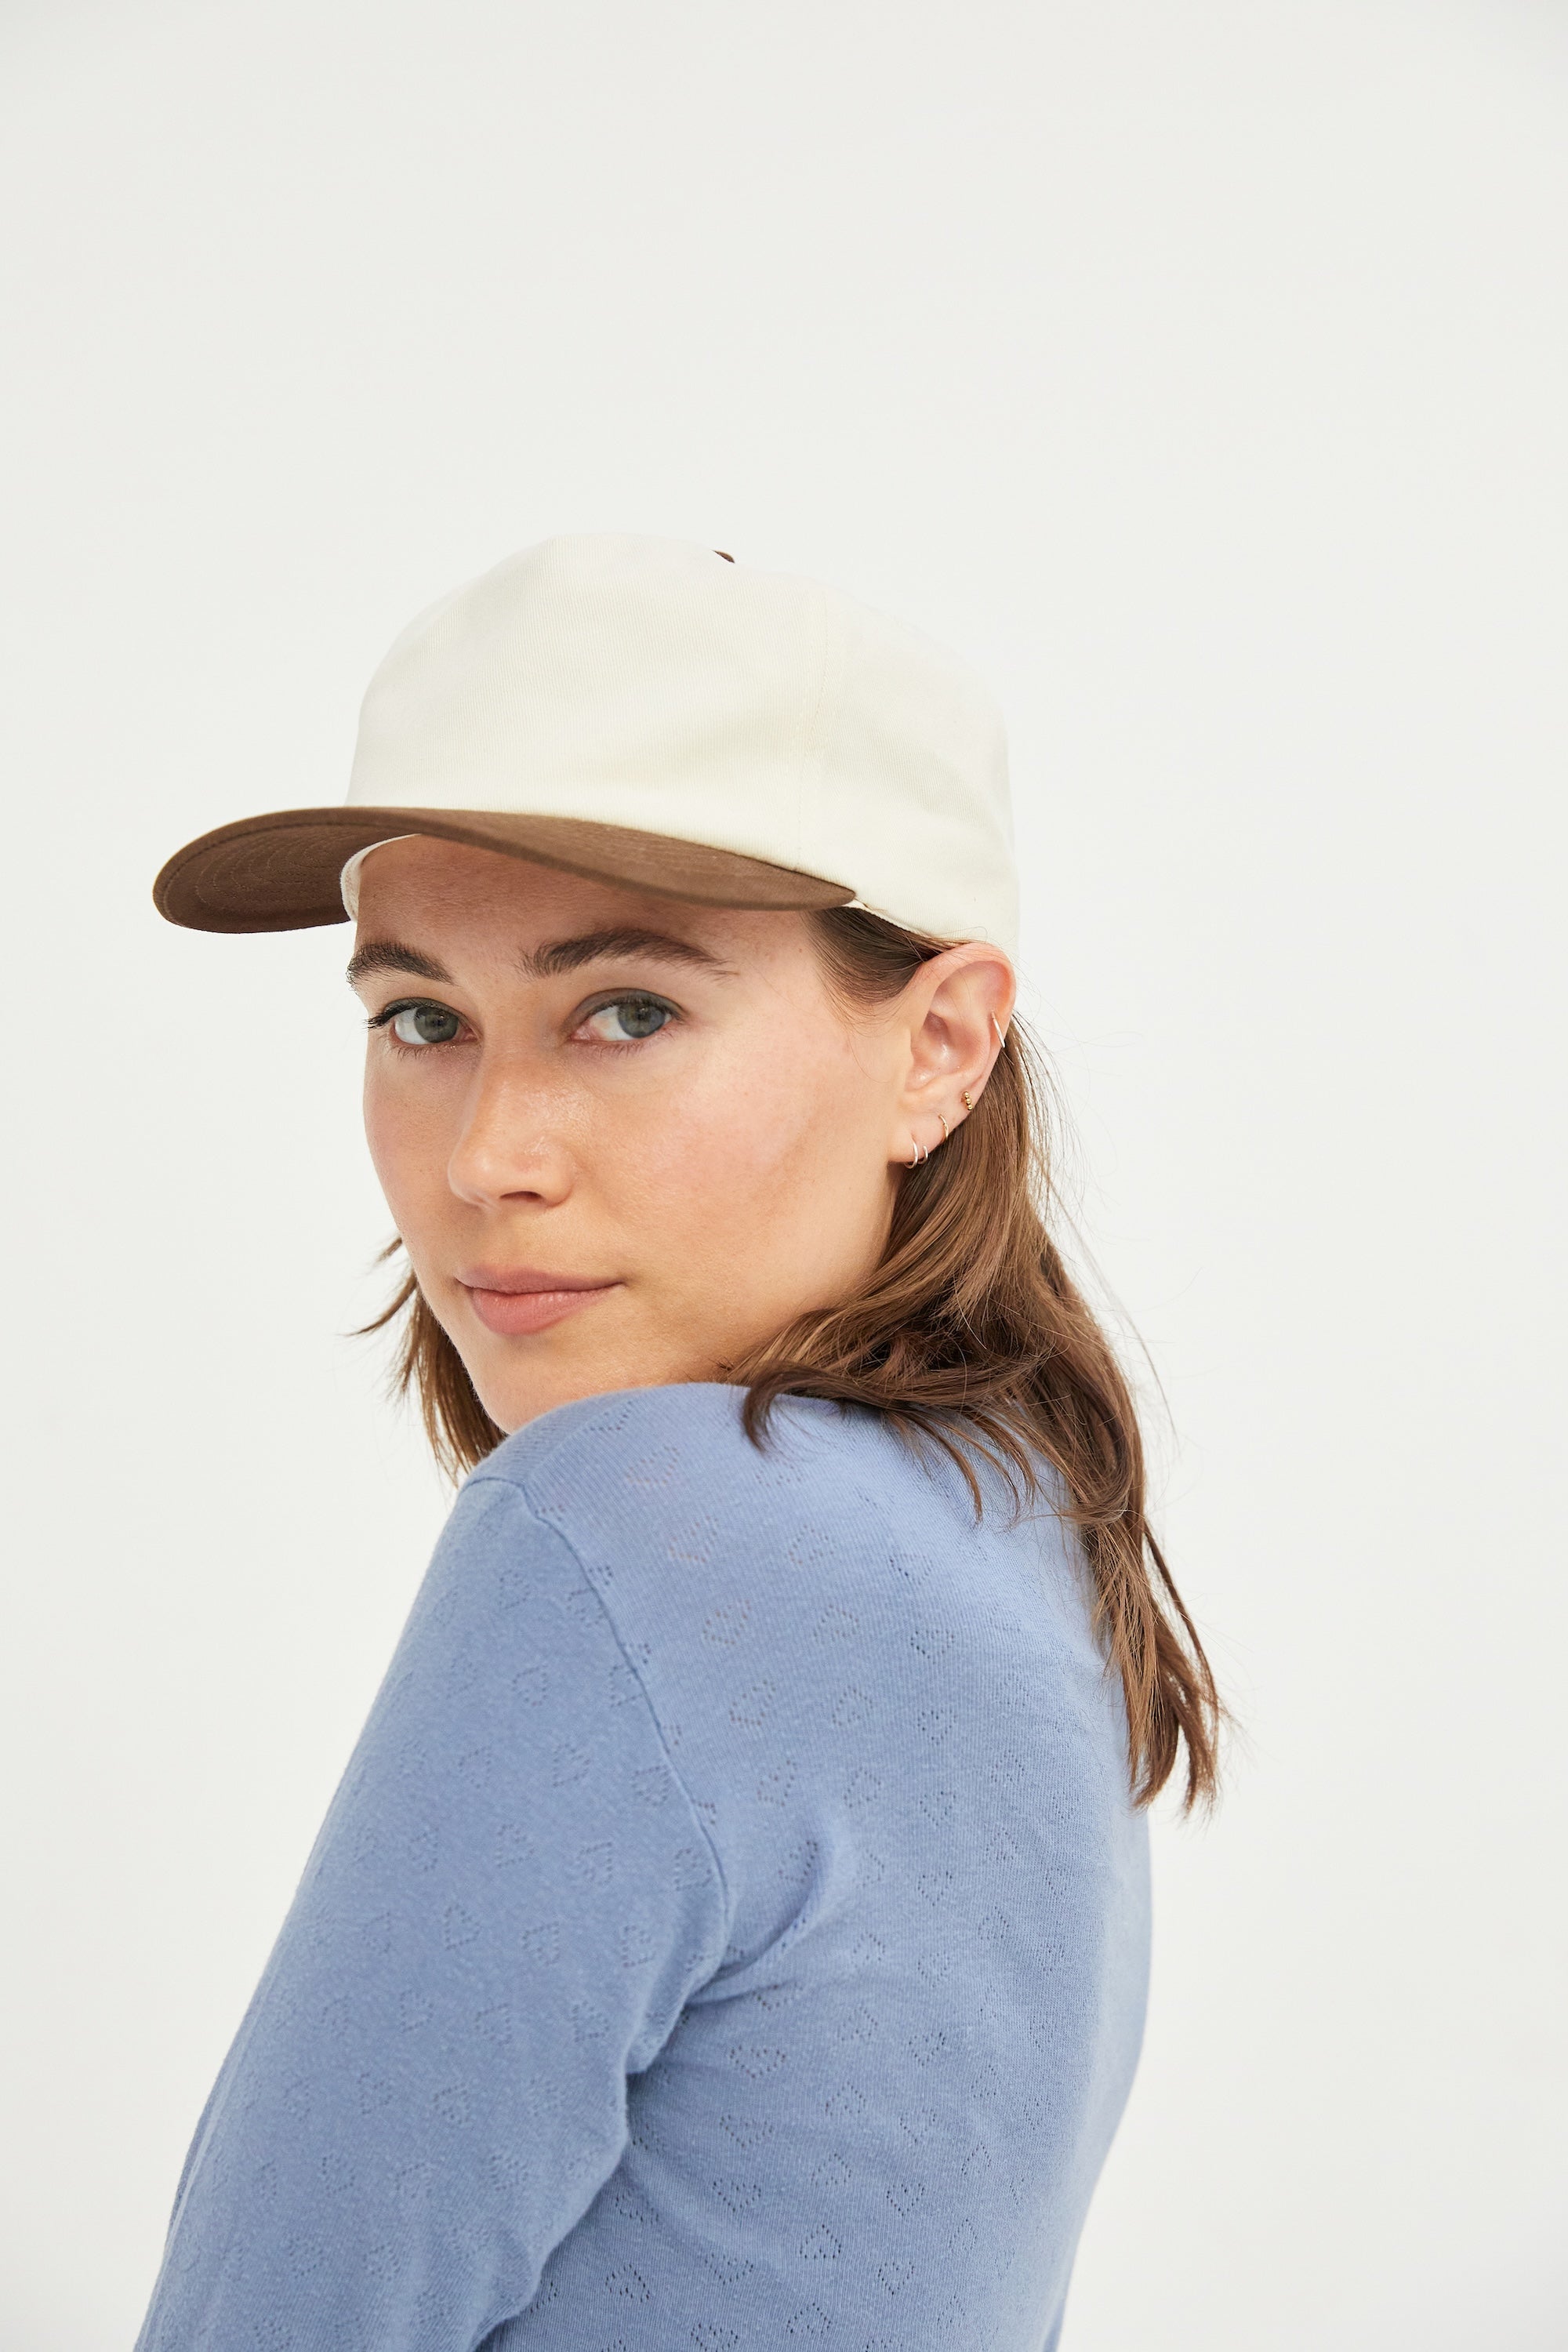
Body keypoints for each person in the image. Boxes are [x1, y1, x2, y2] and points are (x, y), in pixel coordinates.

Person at [135, 533, 1220, 2352]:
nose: (487, 1156)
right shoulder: (1015, 1517)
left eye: (626, 1010)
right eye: (420, 1017)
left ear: (940, 1044)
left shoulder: (645, 1522)